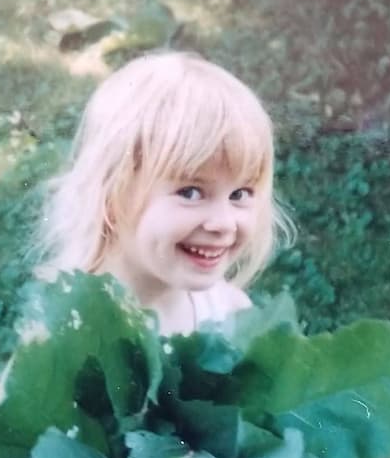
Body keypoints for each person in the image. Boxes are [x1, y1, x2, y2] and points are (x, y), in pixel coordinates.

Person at [35, 51, 294, 335]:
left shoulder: (230, 315)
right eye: (192, 193)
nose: (224, 223)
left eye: (239, 194)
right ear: (111, 195)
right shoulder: (66, 334)